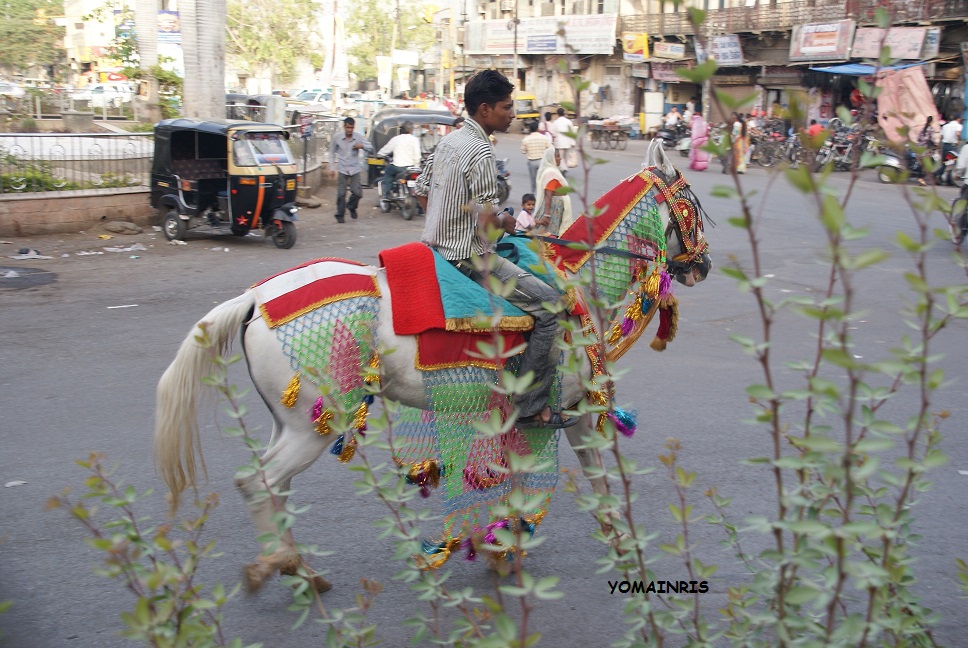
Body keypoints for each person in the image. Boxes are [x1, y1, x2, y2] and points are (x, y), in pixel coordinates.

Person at [414, 69, 576, 430]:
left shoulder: (448, 141)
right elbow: (487, 223)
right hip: (469, 259)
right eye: (507, 107)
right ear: (485, 110)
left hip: (434, 248)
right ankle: (531, 406)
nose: (513, 114)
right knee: (553, 307)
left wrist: (445, 222)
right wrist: (504, 220)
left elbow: (421, 190)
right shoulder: (481, 151)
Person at [329, 117, 373, 223]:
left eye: (352, 128)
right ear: (344, 127)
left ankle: (351, 206)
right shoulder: (337, 137)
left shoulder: (358, 137)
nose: (349, 130)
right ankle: (340, 215)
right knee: (341, 193)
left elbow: (370, 147)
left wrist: (361, 146)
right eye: (348, 127)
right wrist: (332, 168)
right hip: (342, 168)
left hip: (354, 168)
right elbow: (332, 152)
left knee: (357, 192)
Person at [377, 121, 422, 201]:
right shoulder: (414, 140)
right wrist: (416, 166)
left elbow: (386, 150)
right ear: (411, 130)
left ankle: (388, 193)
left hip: (398, 167)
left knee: (387, 172)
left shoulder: (396, 139)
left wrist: (379, 154)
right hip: (411, 168)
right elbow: (417, 156)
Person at [532, 147, 572, 236]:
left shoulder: (553, 171)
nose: (560, 158)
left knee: (551, 232)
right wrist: (547, 215)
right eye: (557, 156)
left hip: (556, 206)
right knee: (550, 233)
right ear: (552, 158)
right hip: (554, 208)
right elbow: (548, 194)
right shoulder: (551, 173)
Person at [521, 122, 552, 194]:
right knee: (543, 179)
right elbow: (549, 149)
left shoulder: (526, 139)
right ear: (538, 128)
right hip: (542, 161)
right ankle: (544, 194)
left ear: (530, 129)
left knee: (533, 181)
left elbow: (523, 151)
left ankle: (534, 196)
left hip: (532, 161)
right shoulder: (544, 138)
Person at [939, 115, 962, 184]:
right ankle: (948, 180)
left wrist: (939, 146)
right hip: (952, 147)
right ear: (959, 119)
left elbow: (941, 137)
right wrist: (959, 140)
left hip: (945, 146)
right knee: (952, 163)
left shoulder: (945, 126)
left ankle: (939, 176)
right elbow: (957, 133)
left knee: (944, 162)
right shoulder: (958, 125)